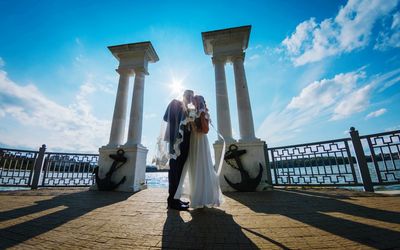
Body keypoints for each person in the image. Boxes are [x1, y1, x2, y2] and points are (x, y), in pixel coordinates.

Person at [174, 95, 224, 208]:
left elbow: (205, 130)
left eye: (195, 101)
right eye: (193, 101)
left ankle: (205, 198)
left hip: (200, 141)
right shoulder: (192, 111)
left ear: (199, 102)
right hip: (193, 142)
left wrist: (201, 115)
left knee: (202, 167)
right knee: (193, 167)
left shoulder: (203, 112)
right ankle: (195, 197)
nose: (193, 103)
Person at [163, 90, 194, 210]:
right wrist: (179, 119)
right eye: (188, 95)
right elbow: (165, 117)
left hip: (185, 142)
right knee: (174, 171)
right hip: (176, 142)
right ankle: (172, 201)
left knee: (180, 171)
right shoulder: (175, 103)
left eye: (192, 95)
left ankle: (176, 197)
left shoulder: (189, 109)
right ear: (184, 95)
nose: (190, 97)